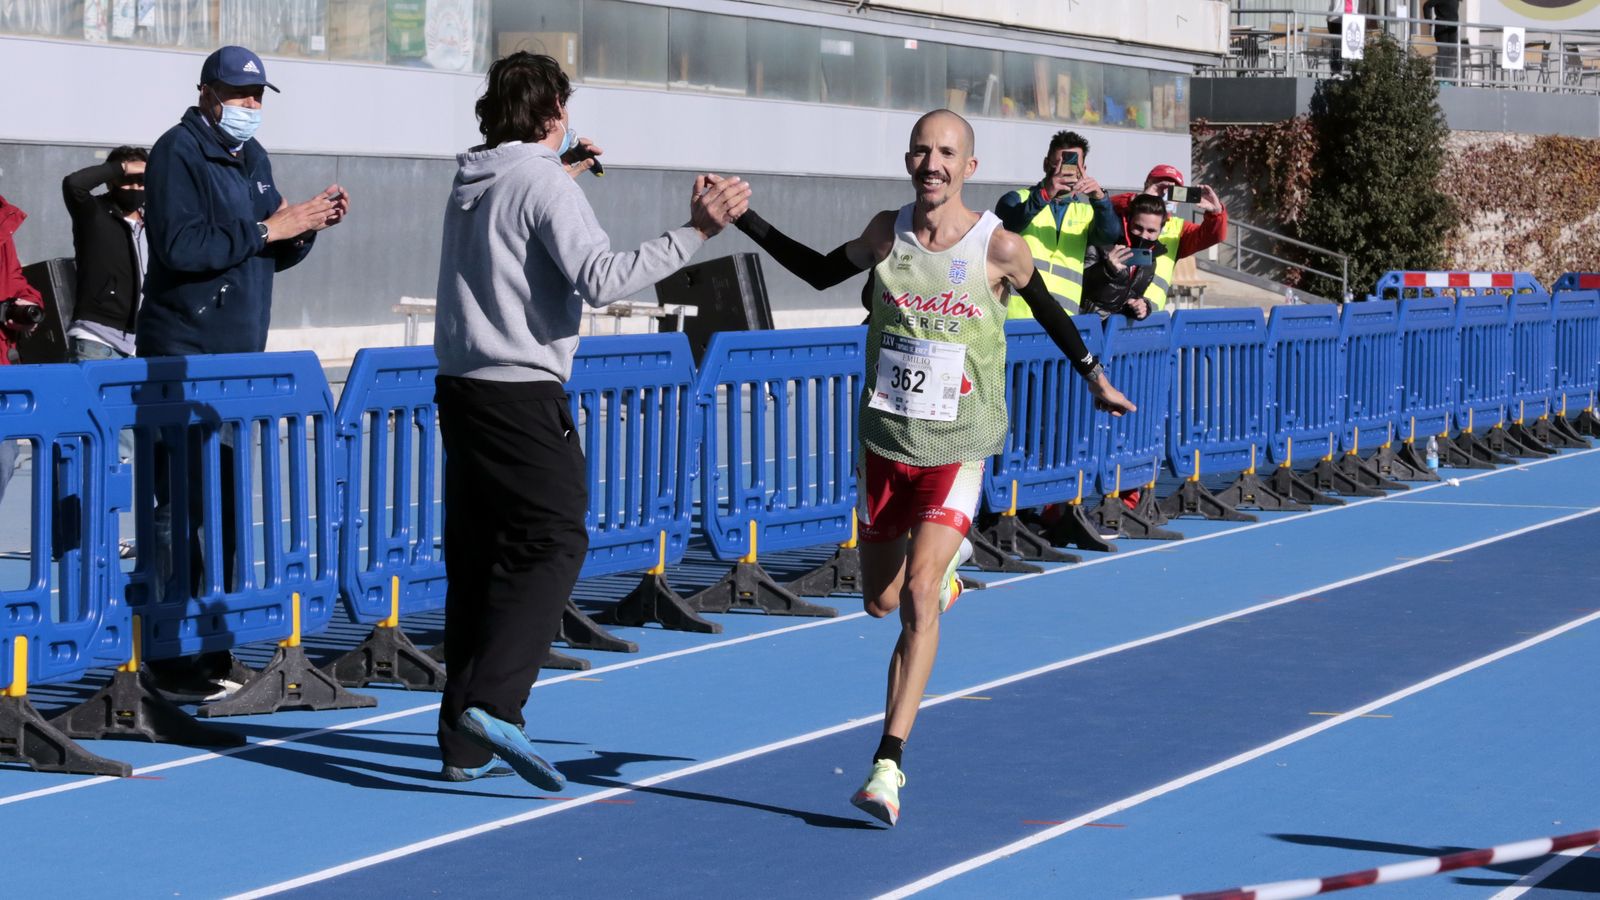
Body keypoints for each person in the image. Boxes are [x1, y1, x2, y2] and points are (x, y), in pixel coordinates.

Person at [731, 109, 1136, 826]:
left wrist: (1093, 374)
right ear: (908, 160)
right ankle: (943, 585)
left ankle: (888, 764)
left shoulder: (999, 246)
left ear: (969, 167)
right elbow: (821, 272)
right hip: (886, 444)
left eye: (947, 153)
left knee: (915, 595)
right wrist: (746, 220)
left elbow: (1047, 309)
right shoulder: (888, 234)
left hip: (960, 447)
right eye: (922, 152)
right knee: (882, 601)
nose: (932, 164)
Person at [432, 52, 752, 787]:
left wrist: (561, 171)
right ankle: (496, 704)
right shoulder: (541, 179)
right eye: (565, 110)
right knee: (554, 538)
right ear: (552, 112)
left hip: (462, 386)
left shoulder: (475, 179)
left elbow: (518, 233)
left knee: (478, 559)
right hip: (521, 390)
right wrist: (696, 229)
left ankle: (462, 743)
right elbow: (602, 281)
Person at [138, 45, 350, 699]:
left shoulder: (251, 157)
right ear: (207, 93)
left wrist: (306, 226)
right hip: (184, 356)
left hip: (234, 362)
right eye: (239, 94)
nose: (251, 106)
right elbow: (180, 247)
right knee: (181, 513)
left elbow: (261, 251)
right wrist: (268, 228)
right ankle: (172, 657)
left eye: (258, 95)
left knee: (227, 510)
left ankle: (216, 646)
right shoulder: (177, 151)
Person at [993, 130, 1120, 317]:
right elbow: (1009, 226)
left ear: (1083, 169)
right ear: (1046, 164)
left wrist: (1100, 199)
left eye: (1073, 166)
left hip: (1061, 324)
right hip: (1014, 318)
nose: (1065, 171)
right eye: (1058, 163)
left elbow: (1110, 234)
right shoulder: (1017, 199)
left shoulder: (1086, 212)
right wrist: (1044, 195)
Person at [63, 146, 149, 367]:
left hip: (144, 341)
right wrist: (122, 167)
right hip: (97, 339)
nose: (135, 188)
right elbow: (74, 184)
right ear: (111, 181)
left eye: (141, 182)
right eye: (127, 181)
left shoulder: (154, 220)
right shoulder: (94, 212)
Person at [1107, 164, 1228, 316]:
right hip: (1113, 310)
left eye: (1173, 191)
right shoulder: (1126, 215)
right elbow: (1104, 208)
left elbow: (1213, 235)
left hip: (1150, 316)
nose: (1164, 195)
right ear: (1147, 186)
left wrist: (1216, 214)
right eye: (1160, 187)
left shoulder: (1178, 229)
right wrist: (1138, 200)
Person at [0, 193, 44, 511]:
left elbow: (14, 280)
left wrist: (28, 303)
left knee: (4, 458)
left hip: (3, 367)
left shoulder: (3, 222)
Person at [1081, 194, 1171, 321]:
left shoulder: (1151, 256)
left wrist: (1140, 306)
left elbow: (1130, 294)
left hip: (1115, 330)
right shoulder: (1104, 241)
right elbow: (1079, 283)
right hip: (1088, 324)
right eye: (1138, 228)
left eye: (1151, 231)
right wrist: (1107, 269)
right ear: (1128, 220)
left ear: (1161, 230)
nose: (1144, 236)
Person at [1422, 0, 1461, 81]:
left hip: (1453, 29)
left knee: (1451, 55)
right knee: (1442, 55)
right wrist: (1429, 20)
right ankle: (1439, 79)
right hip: (1442, 28)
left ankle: (1448, 79)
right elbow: (1427, 5)